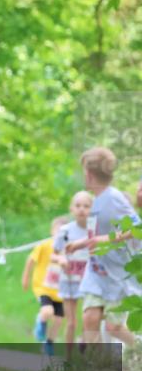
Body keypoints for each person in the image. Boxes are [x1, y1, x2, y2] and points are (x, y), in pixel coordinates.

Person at [68, 147, 141, 346]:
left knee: (113, 327)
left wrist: (107, 240)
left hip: (116, 274)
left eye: (84, 171)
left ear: (90, 175)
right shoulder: (96, 201)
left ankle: (138, 350)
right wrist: (80, 243)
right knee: (89, 318)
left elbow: (137, 228)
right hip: (96, 271)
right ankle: (98, 368)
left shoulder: (113, 198)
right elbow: (96, 237)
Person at [52, 191, 93, 354]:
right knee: (71, 322)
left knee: (88, 319)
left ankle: (83, 344)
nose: (81, 209)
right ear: (71, 209)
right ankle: (68, 357)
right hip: (69, 279)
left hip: (90, 280)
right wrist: (60, 259)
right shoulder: (65, 230)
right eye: (78, 205)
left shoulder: (95, 230)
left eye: (86, 206)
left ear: (92, 209)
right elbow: (53, 253)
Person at [22, 216, 67, 356]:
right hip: (43, 287)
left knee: (58, 320)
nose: (60, 234)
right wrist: (26, 277)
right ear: (52, 231)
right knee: (47, 311)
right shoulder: (44, 246)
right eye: (58, 230)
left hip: (60, 291)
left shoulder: (69, 249)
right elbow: (30, 260)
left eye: (64, 232)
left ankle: (49, 343)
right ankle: (40, 321)